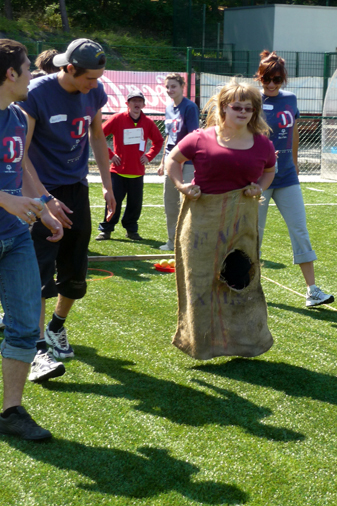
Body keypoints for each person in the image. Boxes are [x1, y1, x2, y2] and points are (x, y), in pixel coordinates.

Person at [19, 38, 116, 383]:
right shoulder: (36, 93)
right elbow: (22, 152)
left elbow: (98, 137)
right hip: (40, 191)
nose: (95, 85)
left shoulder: (94, 92)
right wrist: (44, 198)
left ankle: (56, 327)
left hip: (76, 190)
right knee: (39, 271)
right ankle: (38, 349)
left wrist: (107, 184)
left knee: (75, 271)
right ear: (69, 69)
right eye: (90, 78)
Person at [166, 79, 276, 359]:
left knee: (240, 280)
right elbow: (172, 160)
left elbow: (270, 170)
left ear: (255, 112)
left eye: (248, 109)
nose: (242, 112)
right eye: (236, 107)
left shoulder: (262, 144)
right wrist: (181, 186)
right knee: (201, 283)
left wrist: (259, 187)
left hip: (241, 223)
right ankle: (202, 344)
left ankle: (243, 343)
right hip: (202, 221)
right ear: (224, 108)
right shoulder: (201, 137)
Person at [0, 39, 63, 439]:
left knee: (24, 325)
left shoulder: (19, 117)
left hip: (14, 238)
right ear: (10, 74)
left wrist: (43, 205)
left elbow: (19, 163)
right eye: (27, 68)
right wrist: (4, 198)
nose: (32, 75)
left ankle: (11, 411)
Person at [255, 50, 334, 308]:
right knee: (253, 233)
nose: (271, 84)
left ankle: (312, 291)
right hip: (259, 177)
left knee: (300, 230)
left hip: (287, 175)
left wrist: (296, 163)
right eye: (267, 78)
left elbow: (294, 132)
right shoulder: (251, 101)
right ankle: (246, 287)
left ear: (283, 79)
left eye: (277, 79)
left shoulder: (290, 98)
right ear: (260, 77)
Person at [95, 91, 163, 241]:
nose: (136, 104)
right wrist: (111, 155)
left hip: (137, 172)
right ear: (127, 104)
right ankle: (106, 229)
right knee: (113, 202)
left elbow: (158, 141)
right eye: (133, 101)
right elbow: (98, 134)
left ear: (144, 105)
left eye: (140, 101)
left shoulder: (148, 122)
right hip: (117, 172)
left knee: (135, 205)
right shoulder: (118, 118)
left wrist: (149, 156)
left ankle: (131, 230)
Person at [157, 73, 199, 251]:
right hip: (170, 161)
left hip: (186, 162)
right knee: (170, 203)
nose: (169, 90)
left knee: (187, 203)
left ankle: (189, 242)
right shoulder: (168, 108)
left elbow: (193, 136)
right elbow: (169, 136)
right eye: (167, 87)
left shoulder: (190, 107)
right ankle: (172, 241)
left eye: (173, 86)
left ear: (182, 86)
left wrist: (182, 159)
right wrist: (162, 162)